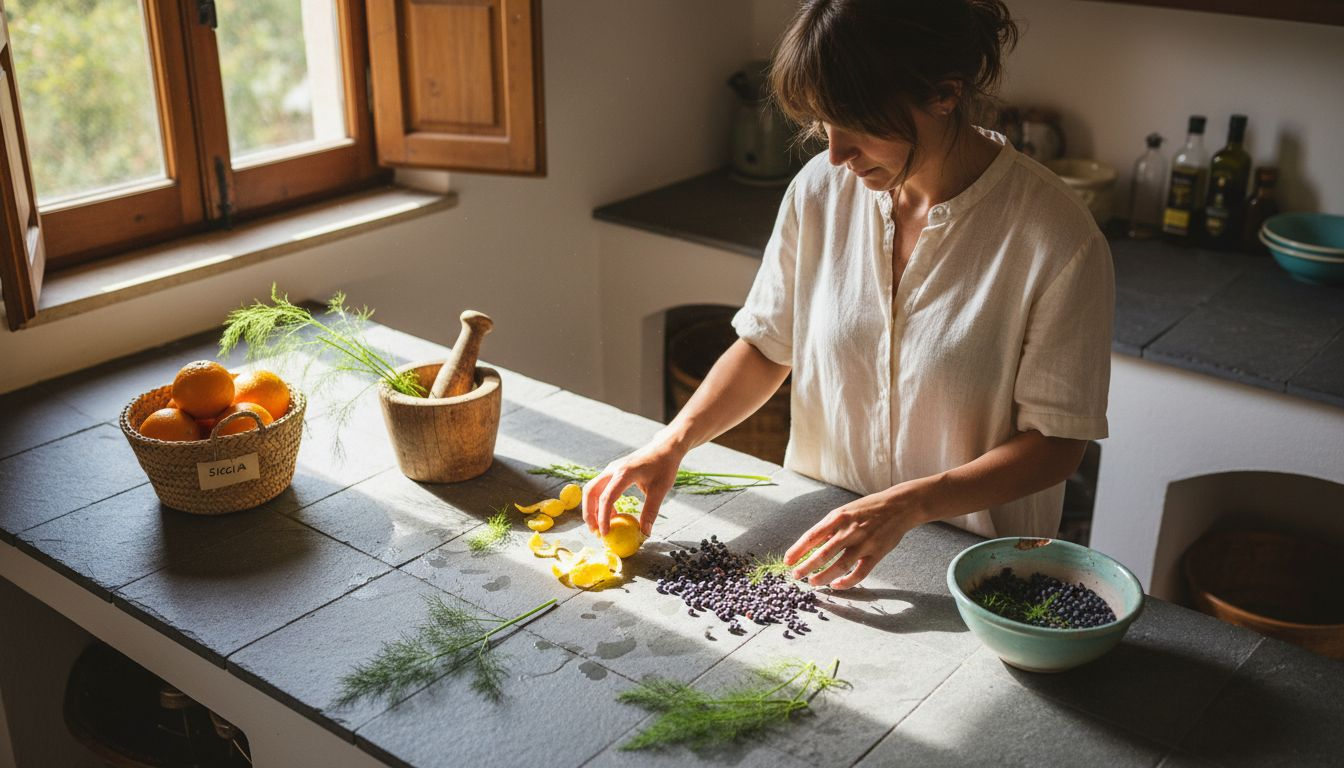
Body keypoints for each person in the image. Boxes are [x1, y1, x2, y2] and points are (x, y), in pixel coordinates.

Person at [583, 0, 1113, 590]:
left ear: (944, 94)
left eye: (857, 122)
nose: (836, 153)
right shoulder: (819, 191)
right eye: (822, 124)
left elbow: (1056, 443)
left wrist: (908, 505)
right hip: (819, 544)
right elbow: (764, 346)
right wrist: (671, 443)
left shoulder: (1056, 237)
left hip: (978, 574)